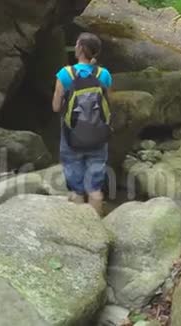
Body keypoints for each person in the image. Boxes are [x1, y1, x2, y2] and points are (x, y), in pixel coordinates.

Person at [52, 32, 113, 215]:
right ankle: (97, 227)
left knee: (76, 188)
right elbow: (109, 103)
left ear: (78, 48)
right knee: (95, 187)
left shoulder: (65, 74)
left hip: (72, 136)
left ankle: (80, 230)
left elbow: (56, 107)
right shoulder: (104, 74)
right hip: (98, 135)